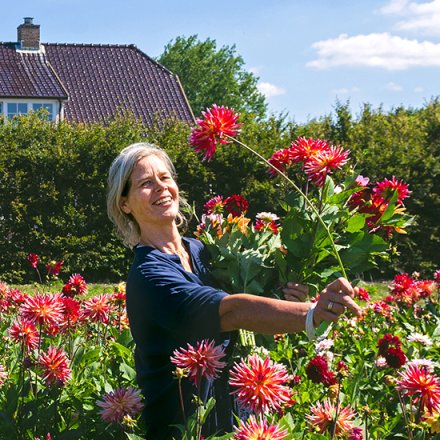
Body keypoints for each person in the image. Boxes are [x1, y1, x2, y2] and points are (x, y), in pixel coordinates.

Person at [106, 142, 362, 439]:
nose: (162, 188)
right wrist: (312, 313)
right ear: (125, 203)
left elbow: (248, 296)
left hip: (231, 418)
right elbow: (231, 310)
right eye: (146, 183)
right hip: (183, 426)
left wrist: (284, 296)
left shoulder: (201, 250)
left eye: (165, 178)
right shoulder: (150, 275)